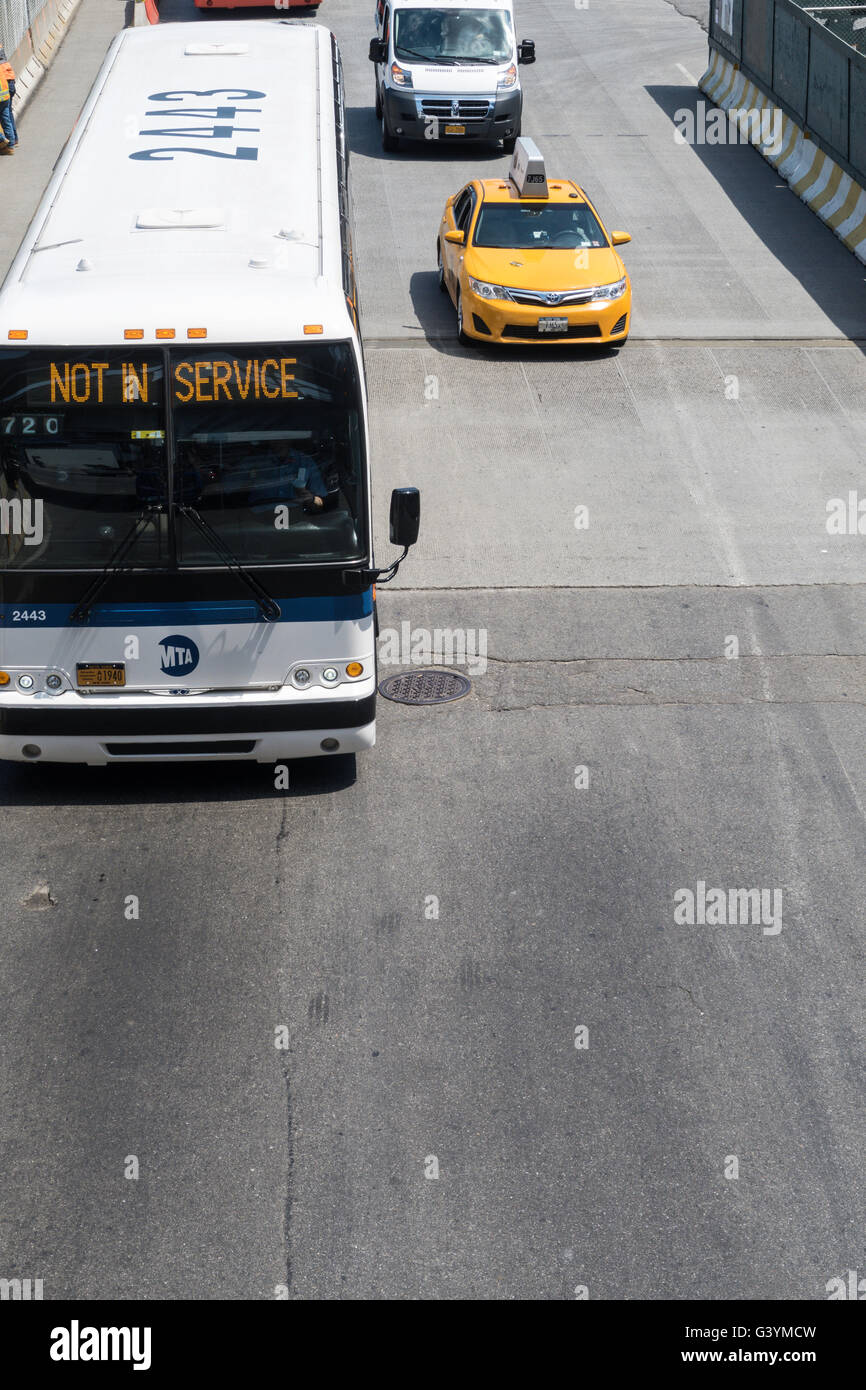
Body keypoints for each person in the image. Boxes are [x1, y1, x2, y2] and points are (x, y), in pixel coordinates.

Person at [0, 46, 17, 152]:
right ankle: (11, 144)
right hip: (6, 90)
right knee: (7, 117)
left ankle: (3, 140)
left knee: (6, 117)